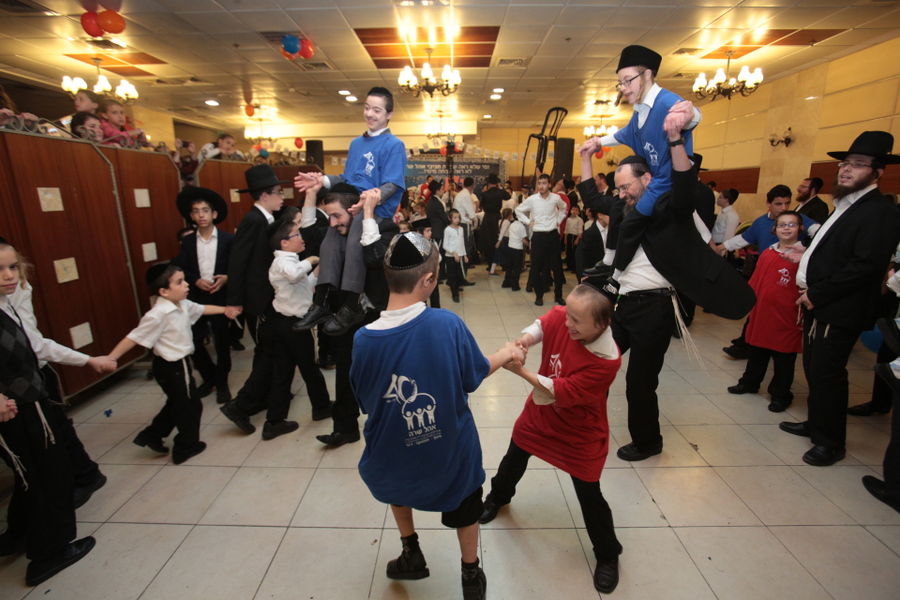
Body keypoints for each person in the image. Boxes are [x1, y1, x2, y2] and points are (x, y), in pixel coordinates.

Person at [350, 231, 525, 600]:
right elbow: (474, 373)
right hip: (447, 451)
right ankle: (470, 573)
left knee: (397, 489)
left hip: (391, 454)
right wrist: (506, 353)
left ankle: (411, 551)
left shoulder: (363, 338)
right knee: (465, 501)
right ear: (429, 281)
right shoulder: (446, 325)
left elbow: (366, 400)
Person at [580, 109, 754, 462]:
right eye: (618, 187)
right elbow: (592, 199)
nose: (622, 193)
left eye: (627, 185)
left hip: (654, 309)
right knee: (593, 361)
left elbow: (684, 183)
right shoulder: (623, 206)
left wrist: (675, 139)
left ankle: (648, 442)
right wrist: (585, 157)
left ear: (647, 179)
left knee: (640, 384)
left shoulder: (671, 211)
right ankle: (584, 420)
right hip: (623, 305)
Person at [480, 284, 623, 593]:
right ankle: (497, 498)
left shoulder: (607, 360)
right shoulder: (568, 316)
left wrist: (520, 371)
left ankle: (608, 554)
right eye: (568, 314)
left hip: (579, 430)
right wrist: (526, 339)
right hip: (541, 415)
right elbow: (545, 322)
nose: (566, 322)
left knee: (589, 493)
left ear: (601, 325)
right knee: (514, 456)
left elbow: (561, 391)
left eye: (575, 321)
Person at [780, 131, 900, 466]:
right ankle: (816, 423)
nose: (846, 170)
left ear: (877, 172)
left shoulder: (879, 211)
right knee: (815, 369)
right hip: (819, 302)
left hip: (838, 307)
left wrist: (816, 292)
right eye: (845, 164)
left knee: (828, 373)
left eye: (858, 165)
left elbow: (865, 265)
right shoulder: (845, 205)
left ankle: (830, 442)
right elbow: (833, 251)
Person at [0, 242, 97, 586]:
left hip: (30, 404)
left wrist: (88, 360)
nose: (10, 276)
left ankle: (18, 536)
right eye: (0, 270)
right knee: (47, 478)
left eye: (13, 267)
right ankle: (48, 555)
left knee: (34, 477)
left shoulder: (7, 304)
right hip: (18, 412)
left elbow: (36, 345)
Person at [579, 45, 701, 280]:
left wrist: (691, 114)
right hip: (653, 187)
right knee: (620, 212)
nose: (623, 89)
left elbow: (690, 114)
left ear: (647, 74)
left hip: (667, 189)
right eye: (620, 83)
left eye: (628, 81)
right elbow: (626, 133)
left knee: (630, 224)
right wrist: (598, 141)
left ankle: (616, 271)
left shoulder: (666, 101)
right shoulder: (639, 111)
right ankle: (611, 265)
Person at [293, 87, 407, 336]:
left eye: (376, 110)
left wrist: (370, 199)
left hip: (375, 211)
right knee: (330, 240)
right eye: (367, 107)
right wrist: (320, 181)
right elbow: (347, 178)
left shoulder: (393, 144)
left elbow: (392, 183)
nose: (370, 113)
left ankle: (351, 304)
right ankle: (321, 302)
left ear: (389, 114)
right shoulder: (356, 143)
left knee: (355, 234)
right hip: (352, 205)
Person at [108, 263, 228, 464]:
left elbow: (202, 308)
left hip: (179, 366)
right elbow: (134, 337)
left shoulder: (182, 304)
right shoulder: (158, 314)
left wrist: (226, 310)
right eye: (180, 282)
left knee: (177, 402)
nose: (187, 285)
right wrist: (112, 357)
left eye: (184, 279)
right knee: (190, 407)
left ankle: (152, 435)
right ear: (163, 291)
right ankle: (185, 447)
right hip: (171, 367)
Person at [223, 164, 288, 418]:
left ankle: (262, 397)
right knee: (266, 350)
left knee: (270, 349)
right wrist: (235, 302)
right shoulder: (253, 220)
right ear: (264, 195)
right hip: (258, 299)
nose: (282, 197)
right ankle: (243, 404)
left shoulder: (266, 219)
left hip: (267, 297)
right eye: (279, 193)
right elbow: (238, 262)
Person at [726, 211, 806, 412]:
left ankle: (780, 394)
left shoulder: (803, 257)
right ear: (775, 229)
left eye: (792, 225)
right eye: (782, 225)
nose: (786, 228)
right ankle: (750, 382)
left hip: (787, 316)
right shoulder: (768, 253)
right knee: (757, 351)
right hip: (763, 313)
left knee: (783, 358)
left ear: (800, 229)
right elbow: (755, 282)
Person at [263, 219, 332, 438]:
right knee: (309, 369)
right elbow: (294, 275)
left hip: (286, 323)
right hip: (291, 324)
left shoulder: (291, 261)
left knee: (283, 372)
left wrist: (316, 270)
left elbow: (305, 285)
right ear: (284, 242)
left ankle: (274, 421)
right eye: (296, 235)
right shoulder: (283, 262)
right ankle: (321, 407)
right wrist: (311, 260)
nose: (301, 239)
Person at [174, 187, 234, 405]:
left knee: (221, 343)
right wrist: (195, 279)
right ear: (191, 216)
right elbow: (182, 268)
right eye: (196, 211)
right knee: (195, 340)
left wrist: (226, 277)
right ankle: (210, 378)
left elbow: (235, 267)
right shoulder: (188, 242)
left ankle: (223, 383)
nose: (201, 215)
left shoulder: (228, 240)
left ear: (214, 214)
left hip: (220, 297)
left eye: (205, 210)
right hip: (197, 297)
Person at [516, 173, 567, 306]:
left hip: (552, 235)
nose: (541, 186)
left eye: (544, 183)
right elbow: (518, 210)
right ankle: (539, 295)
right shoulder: (532, 199)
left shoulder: (556, 198)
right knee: (536, 266)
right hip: (538, 236)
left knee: (557, 267)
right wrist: (528, 222)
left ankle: (558, 295)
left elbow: (564, 208)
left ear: (549, 184)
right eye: (539, 183)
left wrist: (558, 220)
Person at [478, 173, 509, 268]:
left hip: (487, 218)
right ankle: (501, 262)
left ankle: (490, 263)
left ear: (488, 183)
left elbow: (480, 205)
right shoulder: (500, 192)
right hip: (497, 218)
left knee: (488, 241)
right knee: (499, 239)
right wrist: (500, 187)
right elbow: (508, 196)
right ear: (496, 183)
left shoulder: (484, 194)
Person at [443, 208, 468, 303]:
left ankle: (456, 287)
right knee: (452, 275)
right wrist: (453, 253)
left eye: (458, 217)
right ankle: (455, 294)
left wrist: (464, 255)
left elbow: (462, 243)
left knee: (458, 274)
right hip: (450, 257)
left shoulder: (461, 229)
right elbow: (445, 245)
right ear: (450, 219)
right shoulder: (447, 230)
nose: (457, 219)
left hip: (460, 256)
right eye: (455, 217)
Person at [564, 205, 584, 272]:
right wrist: (565, 239)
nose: (574, 211)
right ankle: (569, 266)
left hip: (575, 237)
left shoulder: (579, 220)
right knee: (568, 252)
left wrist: (577, 239)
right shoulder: (568, 219)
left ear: (578, 212)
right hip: (569, 236)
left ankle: (574, 268)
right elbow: (566, 230)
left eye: (576, 210)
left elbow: (580, 231)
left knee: (574, 253)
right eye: (573, 209)